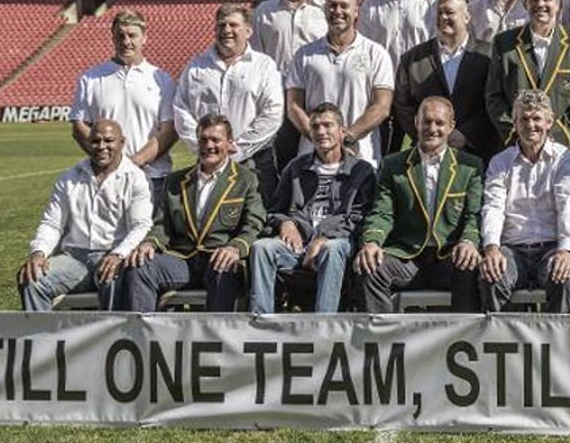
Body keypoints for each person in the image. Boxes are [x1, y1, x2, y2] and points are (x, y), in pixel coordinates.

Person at [122, 114, 266, 312]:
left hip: (219, 259)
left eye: (216, 140)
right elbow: (162, 225)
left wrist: (235, 248)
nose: (209, 145)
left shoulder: (246, 179)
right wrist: (151, 242)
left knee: (224, 267)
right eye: (203, 140)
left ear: (230, 143)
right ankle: (144, 337)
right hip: (182, 259)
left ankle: (214, 339)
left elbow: (254, 224)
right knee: (140, 265)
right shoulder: (176, 181)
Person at [354, 97, 483, 313]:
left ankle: (461, 340)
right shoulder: (393, 165)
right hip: (407, 256)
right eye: (427, 122)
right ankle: (384, 340)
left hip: (449, 256)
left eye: (439, 123)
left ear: (451, 127)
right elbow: (382, 213)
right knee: (370, 267)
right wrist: (372, 242)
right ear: (416, 122)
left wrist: (469, 241)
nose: (432, 129)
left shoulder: (470, 166)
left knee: (470, 265)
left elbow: (474, 215)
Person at [248, 103, 376, 315]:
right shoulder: (296, 168)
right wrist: (285, 222)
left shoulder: (361, 171)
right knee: (262, 247)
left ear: (342, 131)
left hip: (340, 243)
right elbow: (274, 210)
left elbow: (359, 216)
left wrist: (324, 237)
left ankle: (323, 324)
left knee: (332, 249)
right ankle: (261, 321)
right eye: (315, 127)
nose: (321, 132)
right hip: (297, 245)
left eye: (328, 126)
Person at [18, 119, 151, 311]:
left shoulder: (135, 178)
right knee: (32, 277)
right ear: (88, 143)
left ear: (122, 142)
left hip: (112, 255)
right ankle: (44, 339)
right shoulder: (70, 177)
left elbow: (140, 225)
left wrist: (118, 255)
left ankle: (112, 339)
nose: (102, 147)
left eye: (109, 141)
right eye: (96, 141)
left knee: (117, 280)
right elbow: (52, 223)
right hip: (73, 259)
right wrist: (39, 253)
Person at [479, 91, 570, 313]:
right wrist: (492, 248)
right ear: (514, 123)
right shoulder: (500, 162)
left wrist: (566, 251)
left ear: (549, 121)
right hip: (512, 249)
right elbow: (493, 207)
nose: (530, 125)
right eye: (523, 119)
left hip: (551, 248)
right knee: (491, 276)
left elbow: (568, 206)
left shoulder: (564, 159)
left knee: (565, 278)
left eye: (536, 118)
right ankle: (502, 342)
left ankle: (559, 345)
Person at [173, 3, 283, 204]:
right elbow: (181, 110)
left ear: (248, 31)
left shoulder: (264, 65)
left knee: (258, 222)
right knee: (208, 221)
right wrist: (205, 146)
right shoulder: (196, 66)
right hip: (208, 161)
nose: (227, 31)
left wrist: (238, 148)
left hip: (254, 161)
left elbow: (273, 112)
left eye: (233, 25)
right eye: (221, 25)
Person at [486, 0, 570, 157]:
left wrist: (557, 135)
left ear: (558, 4)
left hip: (565, 149)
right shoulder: (504, 43)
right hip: (517, 149)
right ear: (525, 4)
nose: (541, 4)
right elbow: (493, 96)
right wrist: (518, 134)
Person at [70, 10, 177, 198]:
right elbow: (79, 127)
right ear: (112, 38)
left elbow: (169, 131)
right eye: (121, 35)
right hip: (104, 178)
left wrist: (133, 163)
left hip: (153, 178)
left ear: (144, 38)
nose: (126, 41)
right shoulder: (90, 78)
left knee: (151, 228)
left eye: (132, 35)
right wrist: (110, 162)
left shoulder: (162, 80)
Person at [287, 0, 394, 166]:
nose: (337, 11)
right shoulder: (304, 54)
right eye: (332, 6)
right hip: (312, 157)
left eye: (344, 6)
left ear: (355, 11)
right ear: (324, 10)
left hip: (361, 157)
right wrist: (319, 137)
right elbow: (294, 105)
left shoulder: (376, 53)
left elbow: (382, 106)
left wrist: (348, 136)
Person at [393, 0, 499, 165]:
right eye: (439, 13)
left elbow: (494, 100)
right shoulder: (412, 59)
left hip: (478, 151)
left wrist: (465, 135)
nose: (443, 17)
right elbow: (402, 105)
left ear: (467, 17)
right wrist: (429, 134)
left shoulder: (489, 55)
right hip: (427, 154)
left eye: (449, 12)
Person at [359, 0, 438, 155]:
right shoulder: (371, 5)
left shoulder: (432, 2)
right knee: (382, 150)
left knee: (423, 148)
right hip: (382, 88)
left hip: (420, 87)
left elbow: (436, 47)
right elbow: (363, 49)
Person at [251, 0, 327, 174]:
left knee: (316, 161)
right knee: (277, 165)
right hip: (277, 102)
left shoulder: (326, 11)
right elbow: (256, 58)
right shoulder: (265, 12)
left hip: (314, 100)